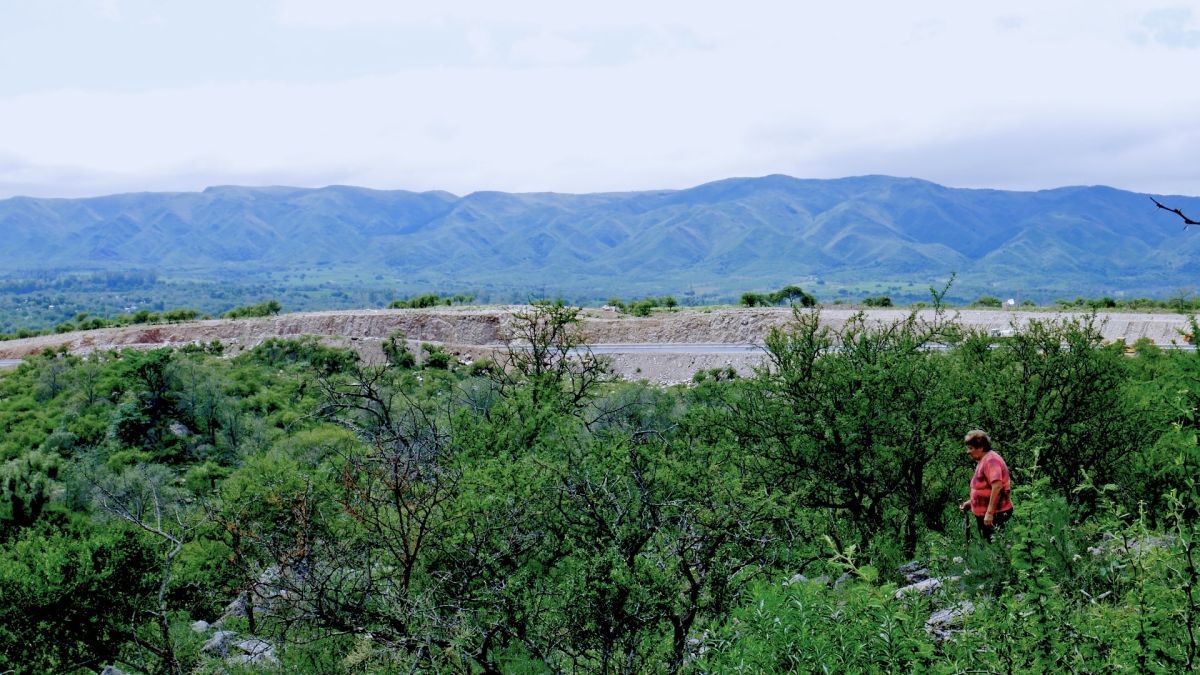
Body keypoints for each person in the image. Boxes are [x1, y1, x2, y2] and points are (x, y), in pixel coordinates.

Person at [958, 429, 1012, 541]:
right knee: (990, 544)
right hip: (987, 512)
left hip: (996, 513)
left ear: (981, 447)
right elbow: (984, 487)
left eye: (971, 448)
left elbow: (997, 486)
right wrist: (971, 503)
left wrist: (989, 513)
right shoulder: (984, 460)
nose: (968, 452)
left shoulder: (991, 461)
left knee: (995, 546)